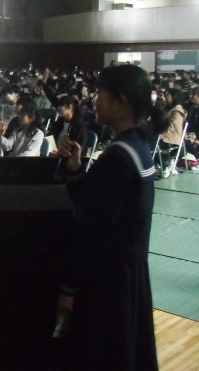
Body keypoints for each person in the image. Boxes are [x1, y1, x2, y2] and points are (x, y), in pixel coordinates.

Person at [55, 64, 165, 371]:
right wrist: (76, 169)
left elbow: (92, 230)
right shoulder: (138, 146)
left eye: (100, 93)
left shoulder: (117, 157)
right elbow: (98, 203)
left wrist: (69, 287)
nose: (94, 100)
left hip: (108, 285)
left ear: (121, 102)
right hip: (129, 278)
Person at [159, 88, 188, 178]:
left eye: (168, 95)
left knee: (156, 143)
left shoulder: (177, 111)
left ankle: (166, 166)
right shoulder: (166, 108)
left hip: (172, 137)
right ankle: (166, 165)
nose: (166, 97)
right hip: (164, 134)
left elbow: (173, 128)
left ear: (173, 97)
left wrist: (159, 132)